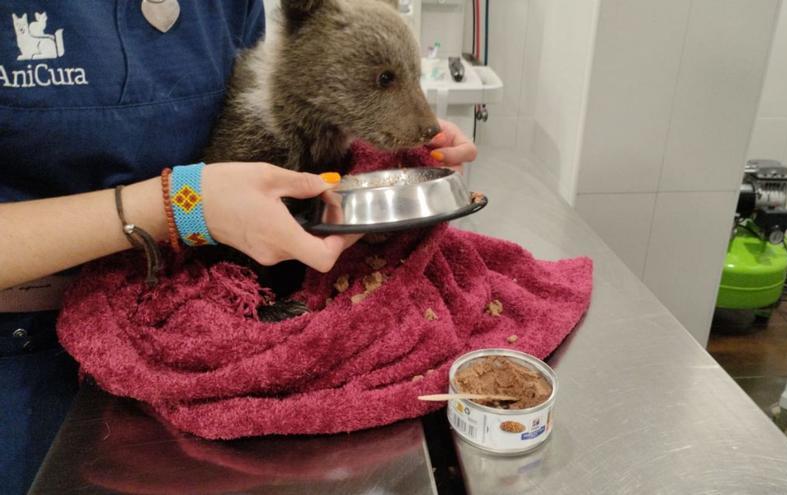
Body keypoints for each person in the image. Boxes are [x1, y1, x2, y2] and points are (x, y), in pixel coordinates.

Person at [0, 2, 477, 492]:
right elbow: (203, 194)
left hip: (209, 322)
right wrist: (182, 206)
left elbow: (289, 97)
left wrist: (390, 152)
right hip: (22, 366)